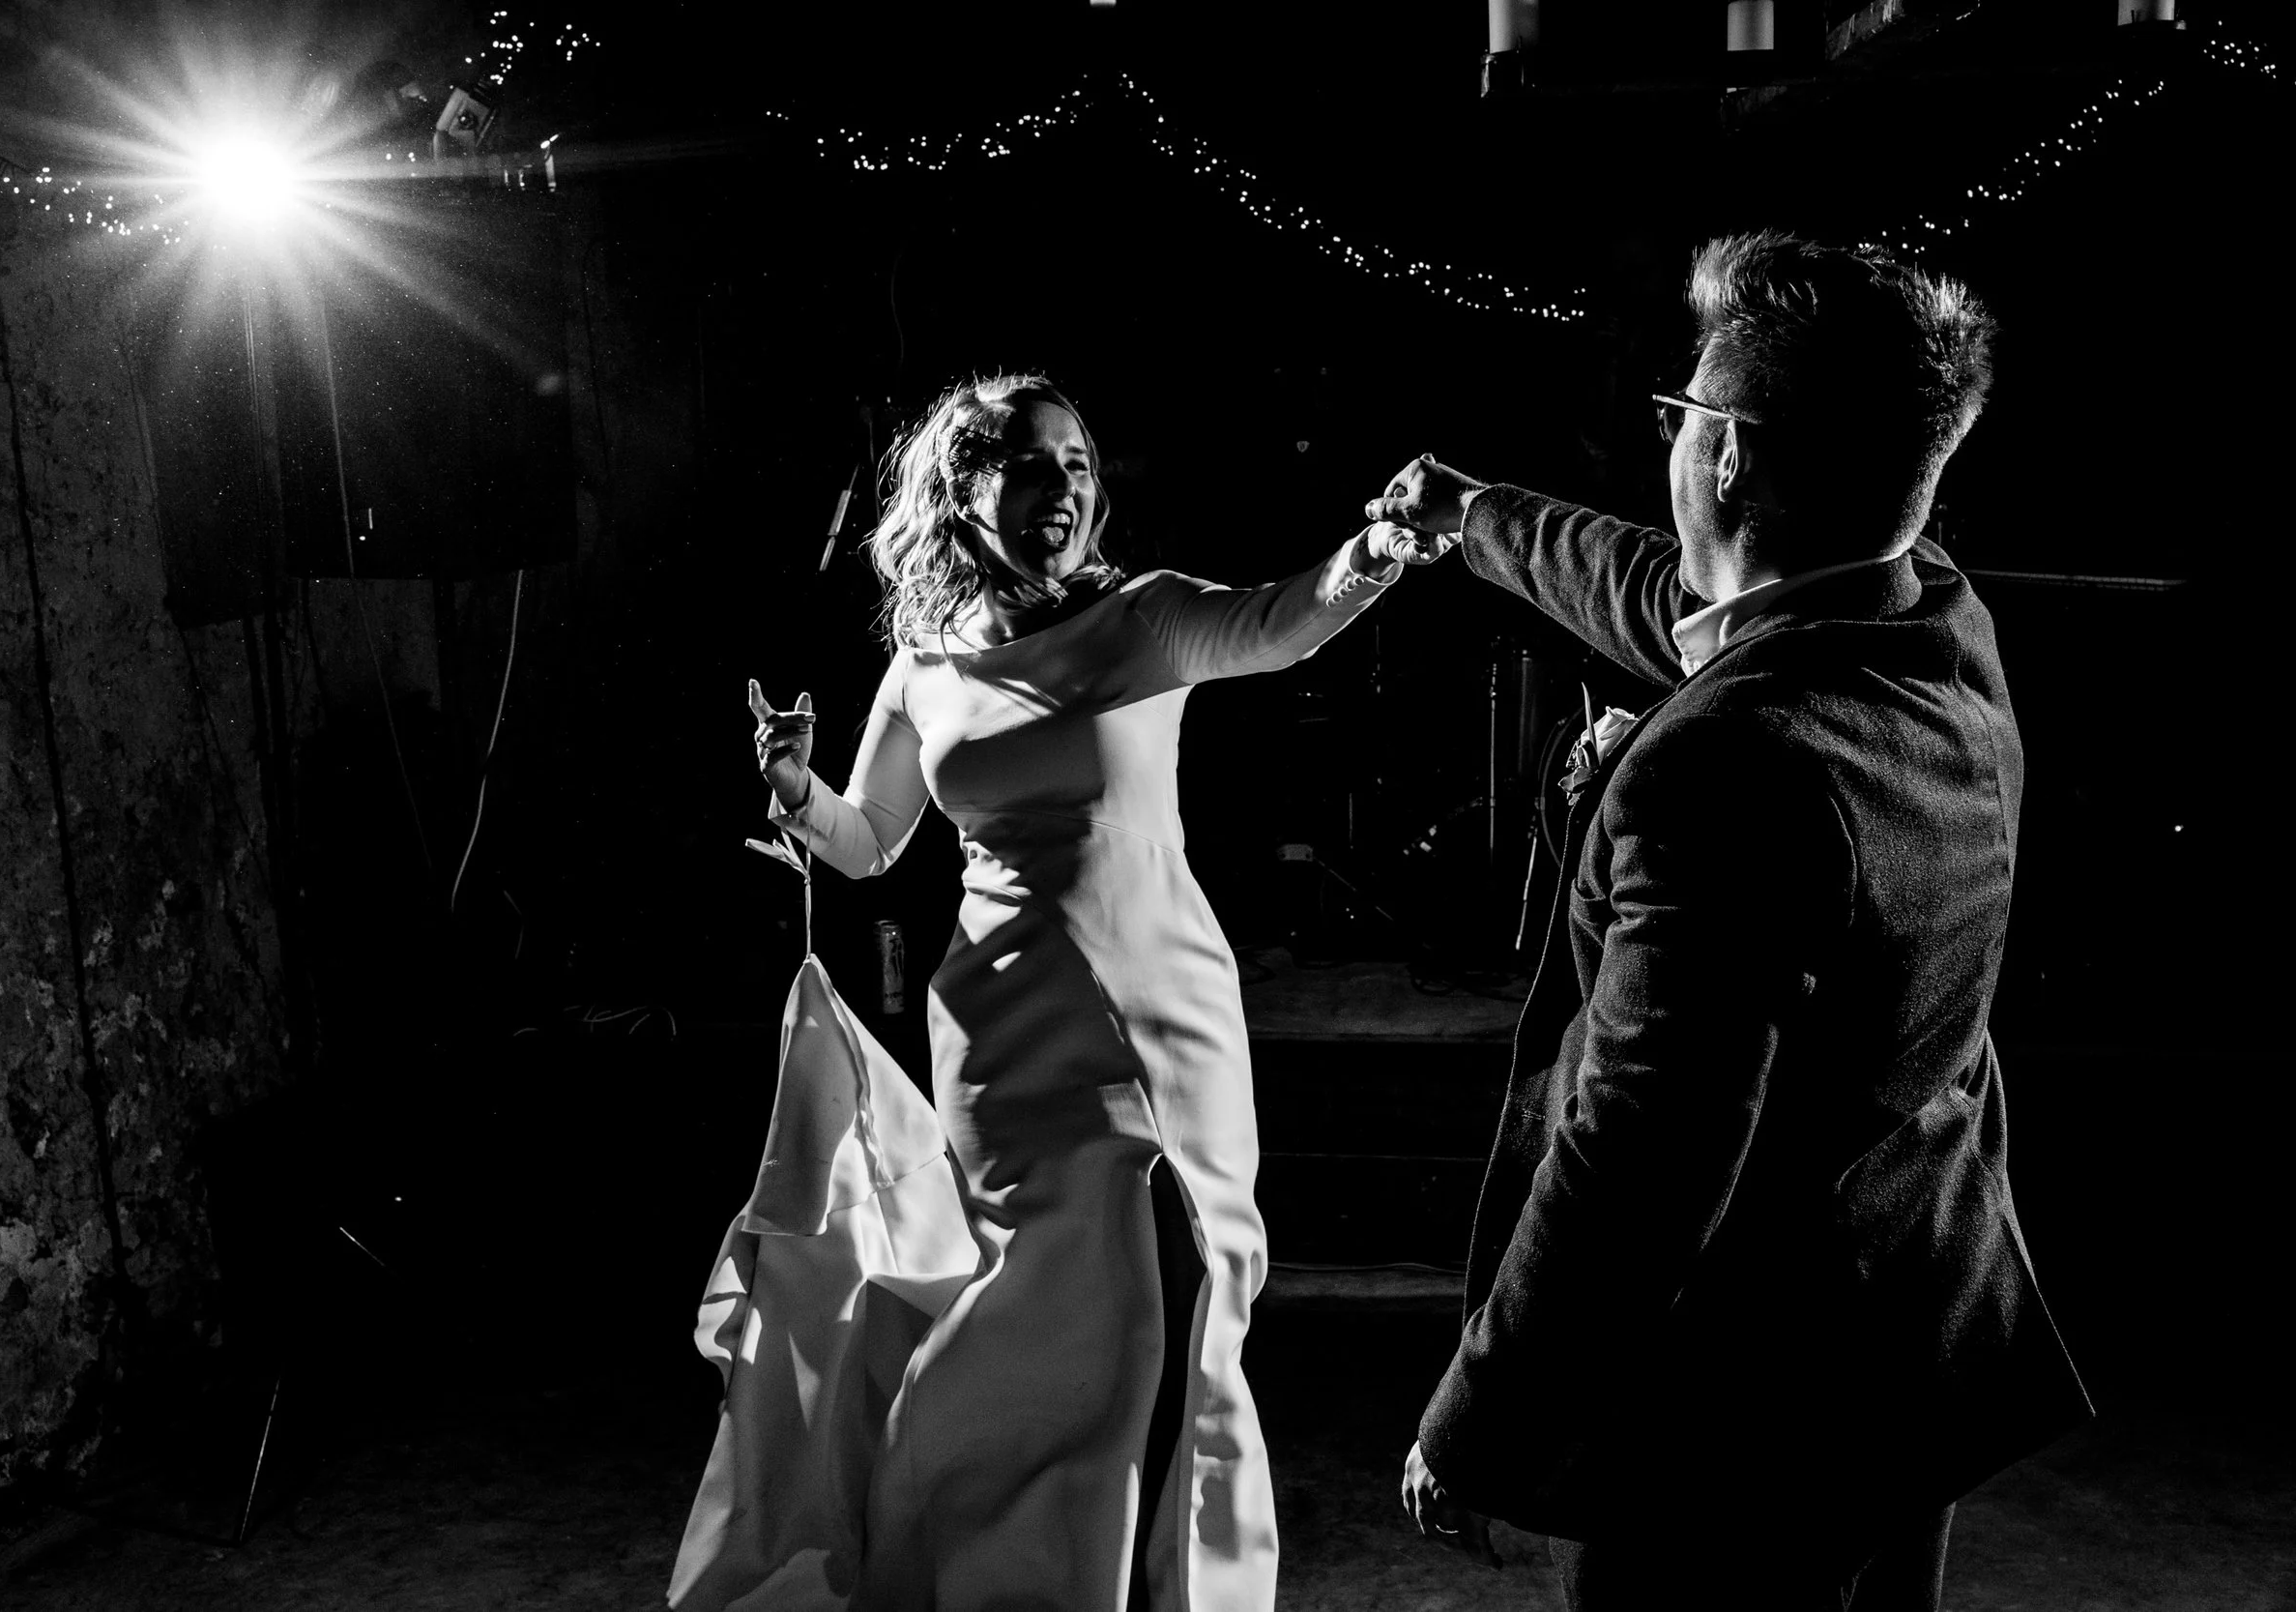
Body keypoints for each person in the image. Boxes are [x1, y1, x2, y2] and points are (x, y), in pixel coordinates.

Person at [1370, 233, 2093, 1609]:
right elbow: (1686, 599)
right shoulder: (1933, 615)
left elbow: (1641, 1147)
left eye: (1684, 416)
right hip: (1907, 1331)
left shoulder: (1725, 764)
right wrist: (1477, 516)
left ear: (1732, 458)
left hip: (1740, 1411)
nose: (1675, 437)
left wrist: (1482, 1416)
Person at [735, 373, 1447, 1610]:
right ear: (965, 488)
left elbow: (1279, 621)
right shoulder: (921, 666)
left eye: (1076, 463)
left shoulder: (1144, 618)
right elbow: (871, 842)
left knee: (1179, 1301)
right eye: (1028, 462)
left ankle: (1174, 1581)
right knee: (1041, 1316)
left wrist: (1374, 552)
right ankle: (1014, 1574)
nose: (1060, 486)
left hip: (1160, 1009)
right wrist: (796, 788)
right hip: (1002, 1033)